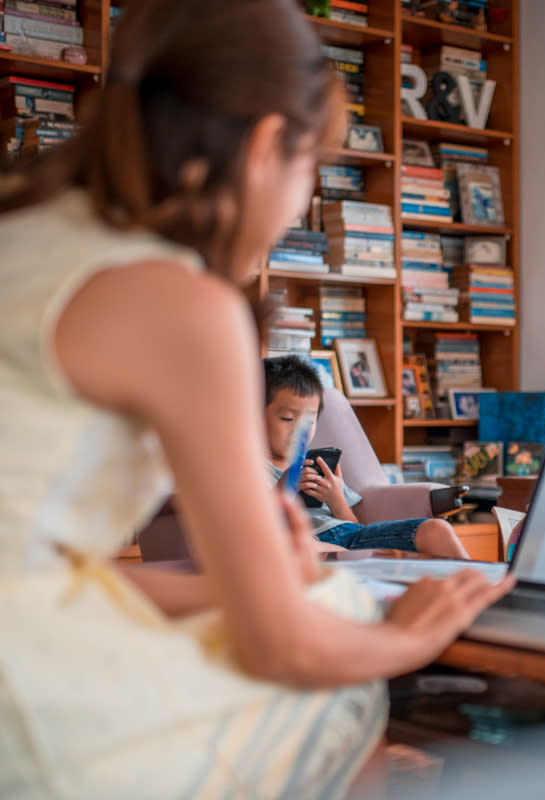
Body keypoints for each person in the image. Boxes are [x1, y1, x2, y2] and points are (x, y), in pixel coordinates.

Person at [0, 1, 512, 796]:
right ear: (271, 143)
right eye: (313, 168)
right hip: (25, 697)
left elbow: (36, 573)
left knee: (325, 597)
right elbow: (283, 647)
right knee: (340, 662)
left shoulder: (25, 227)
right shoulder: (181, 303)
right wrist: (407, 637)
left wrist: (246, 588)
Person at [264, 355, 469, 558]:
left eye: (310, 421)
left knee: (436, 529)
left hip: (352, 537)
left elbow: (353, 526)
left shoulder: (318, 465)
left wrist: (336, 499)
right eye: (288, 418)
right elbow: (248, 524)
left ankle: (489, 591)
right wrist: (284, 488)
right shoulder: (249, 470)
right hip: (307, 544)